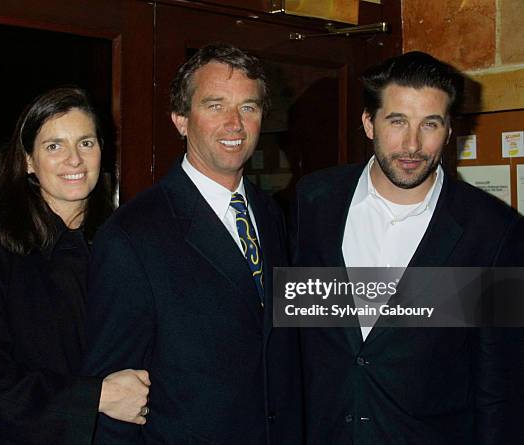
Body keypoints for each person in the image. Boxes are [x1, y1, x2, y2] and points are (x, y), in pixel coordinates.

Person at [291, 51, 524, 444]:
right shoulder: (313, 202)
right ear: (369, 123)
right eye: (397, 121)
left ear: (450, 130)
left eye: (429, 124)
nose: (412, 144)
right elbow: (293, 327)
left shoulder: (493, 231)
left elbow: (499, 386)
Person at [82, 43, 302, 444]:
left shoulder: (271, 215)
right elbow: (113, 401)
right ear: (181, 120)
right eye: (215, 106)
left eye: (248, 108)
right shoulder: (131, 236)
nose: (234, 124)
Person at [0, 87, 151, 444]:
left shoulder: (127, 244)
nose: (74, 159)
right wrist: (95, 397)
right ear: (29, 160)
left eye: (86, 143)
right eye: (54, 146)